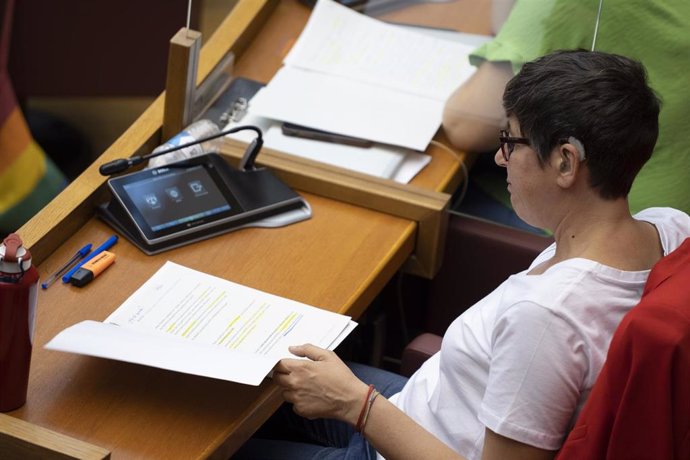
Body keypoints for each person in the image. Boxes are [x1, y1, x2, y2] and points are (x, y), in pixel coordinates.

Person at [234, 50, 690, 460]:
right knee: (251, 387)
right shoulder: (671, 227)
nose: (499, 158)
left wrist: (357, 404)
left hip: (399, 434)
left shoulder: (546, 316)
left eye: (510, 142)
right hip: (422, 407)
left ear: (566, 162)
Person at [442, 0, 690, 225]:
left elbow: (466, 127)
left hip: (595, 220)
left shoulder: (569, 5)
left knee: (440, 195)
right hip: (665, 213)